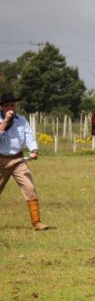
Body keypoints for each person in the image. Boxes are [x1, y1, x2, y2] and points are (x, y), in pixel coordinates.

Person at [0, 92, 49, 230]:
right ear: (2, 107)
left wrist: (34, 150)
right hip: (1, 161)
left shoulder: (22, 121)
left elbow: (29, 137)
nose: (10, 108)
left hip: (18, 160)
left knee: (30, 188)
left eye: (12, 105)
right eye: (7, 106)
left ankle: (37, 222)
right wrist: (5, 121)